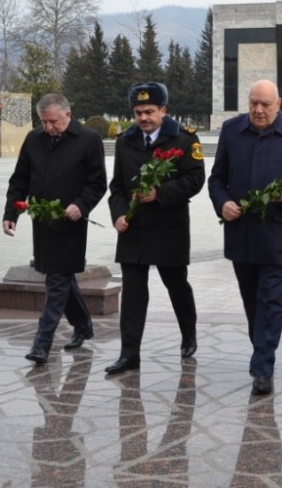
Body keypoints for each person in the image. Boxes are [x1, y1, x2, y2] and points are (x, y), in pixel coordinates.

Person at [208, 79, 282, 396]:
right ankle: (262, 349)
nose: (258, 110)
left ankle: (262, 366)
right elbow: (217, 179)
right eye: (253, 102)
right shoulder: (231, 131)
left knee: (270, 298)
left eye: (265, 104)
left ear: (278, 103)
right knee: (251, 298)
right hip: (241, 232)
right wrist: (222, 202)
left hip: (276, 233)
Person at [105, 82, 206, 374]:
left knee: (176, 285)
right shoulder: (126, 141)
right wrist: (119, 214)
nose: (143, 118)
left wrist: (160, 194)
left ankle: (188, 334)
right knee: (134, 292)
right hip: (133, 230)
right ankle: (129, 354)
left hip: (168, 228)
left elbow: (195, 180)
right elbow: (118, 187)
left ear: (164, 110)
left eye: (149, 111)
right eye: (138, 112)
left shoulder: (184, 140)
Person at [3, 93, 107, 364]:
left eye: (54, 122)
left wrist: (81, 206)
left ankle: (42, 343)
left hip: (71, 222)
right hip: (43, 221)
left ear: (68, 114)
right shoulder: (34, 139)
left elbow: (97, 183)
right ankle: (83, 325)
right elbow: (20, 180)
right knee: (60, 275)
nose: (49, 127)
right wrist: (11, 212)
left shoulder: (89, 140)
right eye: (44, 122)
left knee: (57, 280)